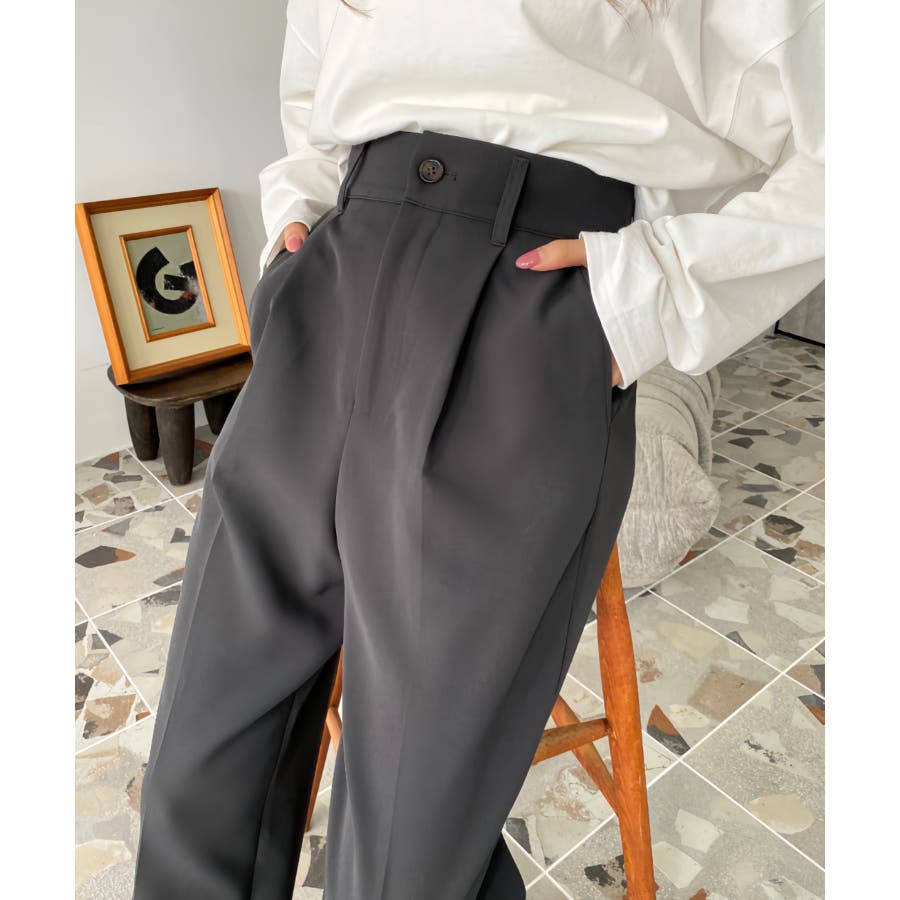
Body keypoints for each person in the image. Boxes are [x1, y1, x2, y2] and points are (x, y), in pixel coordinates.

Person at [131, 1, 824, 898]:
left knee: (413, 839)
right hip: (336, 270)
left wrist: (652, 291)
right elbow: (315, 78)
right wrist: (297, 216)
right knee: (204, 748)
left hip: (531, 303)